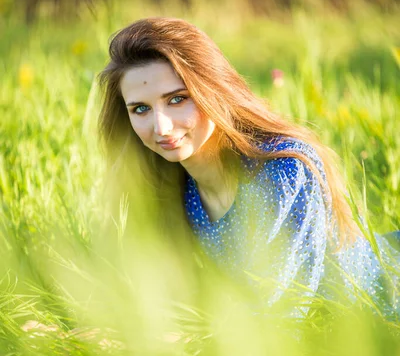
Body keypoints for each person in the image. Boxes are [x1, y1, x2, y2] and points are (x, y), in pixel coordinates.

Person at [98, 17, 399, 319]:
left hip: (380, 316)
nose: (161, 127)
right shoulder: (168, 184)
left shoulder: (282, 171)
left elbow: (282, 317)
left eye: (177, 99)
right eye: (141, 109)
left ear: (213, 90)